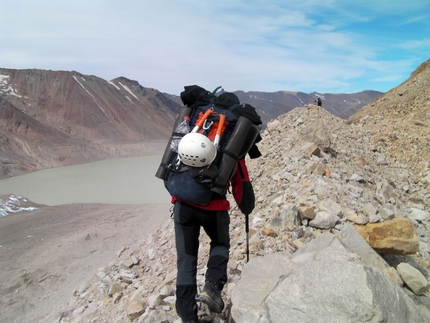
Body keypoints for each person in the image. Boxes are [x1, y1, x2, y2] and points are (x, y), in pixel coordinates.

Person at [172, 158, 254, 322]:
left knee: (186, 259)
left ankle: (187, 314)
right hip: (214, 208)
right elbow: (241, 183)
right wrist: (246, 206)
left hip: (182, 205)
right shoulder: (230, 142)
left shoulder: (192, 133)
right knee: (220, 244)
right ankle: (212, 287)